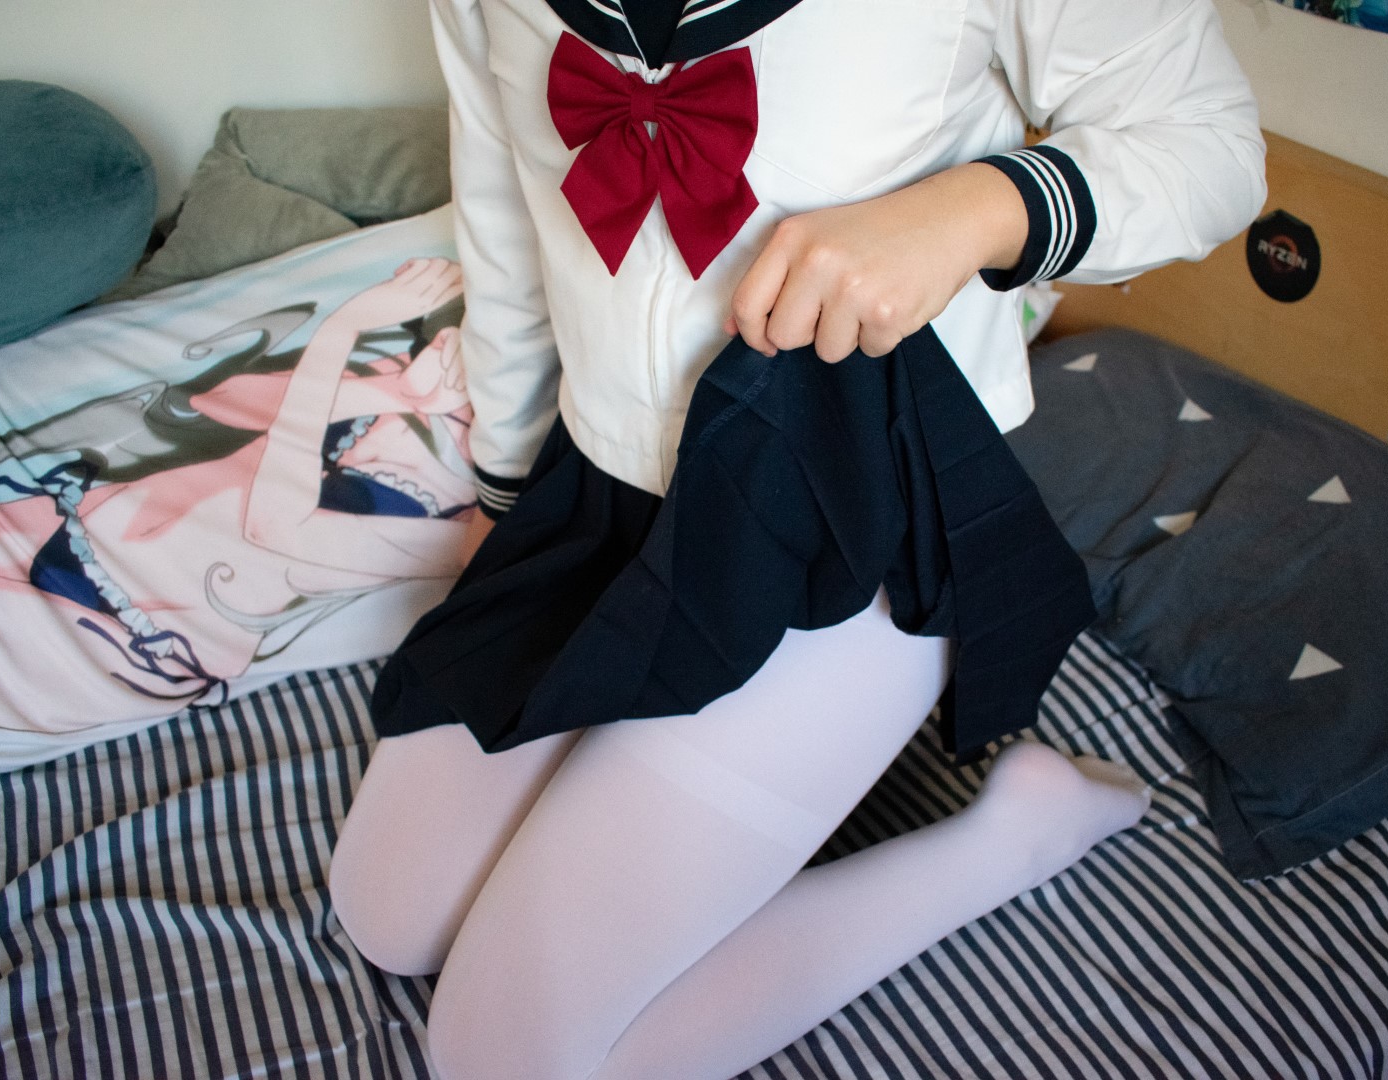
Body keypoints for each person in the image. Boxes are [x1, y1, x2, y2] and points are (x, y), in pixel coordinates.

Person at [329, 0, 1267, 1075]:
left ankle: (1011, 837)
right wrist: (502, 497)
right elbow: (503, 224)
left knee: (503, 1057)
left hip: (848, 521)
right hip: (600, 495)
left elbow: (1212, 145)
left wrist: (972, 209)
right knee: (386, 912)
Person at [0, 259, 477, 733]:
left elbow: (276, 524)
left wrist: (340, 331)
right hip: (72, 534)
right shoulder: (393, 396)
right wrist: (395, 391)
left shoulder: (460, 524)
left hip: (122, 634)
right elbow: (224, 402)